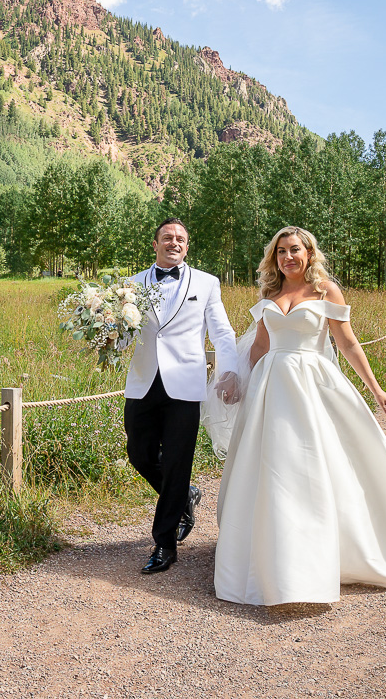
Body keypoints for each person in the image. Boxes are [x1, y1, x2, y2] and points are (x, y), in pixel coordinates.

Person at [208, 226, 386, 605]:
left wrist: (377, 389)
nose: (288, 257)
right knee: (274, 468)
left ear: (309, 253)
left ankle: (339, 547)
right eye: (281, 251)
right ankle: (272, 550)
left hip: (313, 384)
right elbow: (261, 346)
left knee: (316, 464)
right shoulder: (269, 293)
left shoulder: (324, 290)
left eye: (295, 250)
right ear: (274, 258)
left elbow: (346, 342)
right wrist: (239, 383)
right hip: (270, 389)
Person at [124, 218, 241, 574]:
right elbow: (126, 333)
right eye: (167, 238)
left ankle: (165, 544)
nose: (174, 243)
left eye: (180, 239)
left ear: (187, 246)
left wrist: (229, 370)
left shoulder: (207, 283)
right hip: (143, 382)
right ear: (155, 244)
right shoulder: (130, 285)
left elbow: (221, 330)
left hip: (186, 386)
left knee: (177, 460)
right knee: (139, 454)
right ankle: (184, 494)